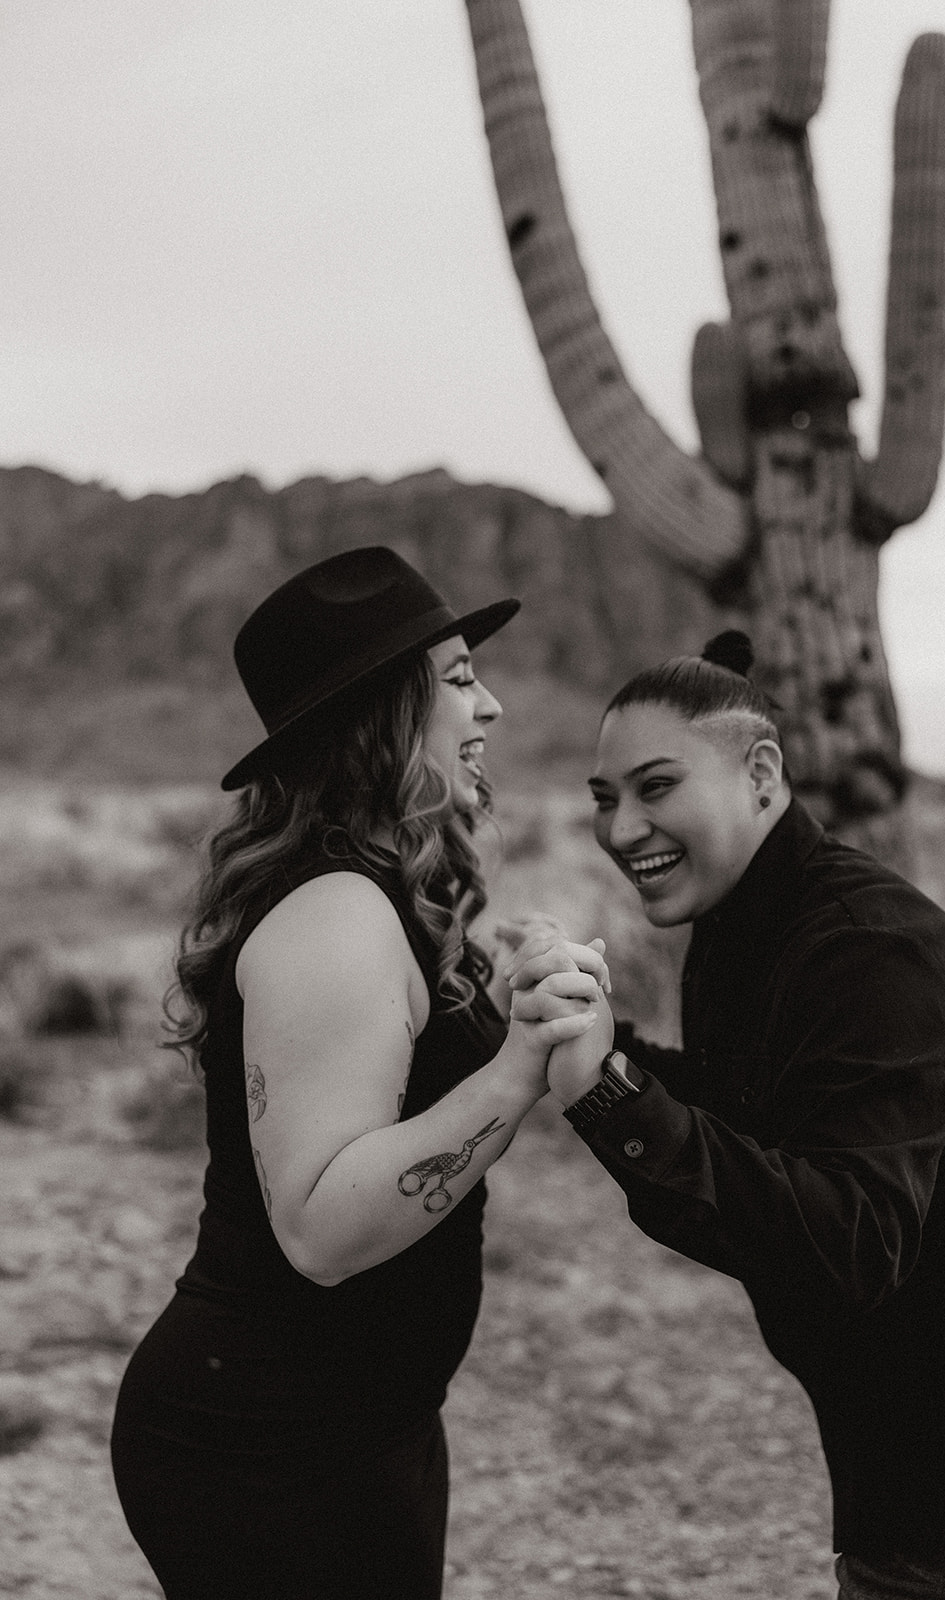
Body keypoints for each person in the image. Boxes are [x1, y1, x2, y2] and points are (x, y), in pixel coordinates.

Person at [507, 630, 945, 1599]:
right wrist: (602, 1045)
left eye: (654, 786)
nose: (620, 827)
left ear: (760, 773)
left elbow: (850, 1238)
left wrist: (612, 1095)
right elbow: (762, 1111)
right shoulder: (747, 922)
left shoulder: (861, 948)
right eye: (604, 798)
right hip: (925, 1445)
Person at [110, 546, 606, 1600]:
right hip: (260, 1445)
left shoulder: (375, 888)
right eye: (462, 678)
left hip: (354, 1425)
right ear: (386, 711)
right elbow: (320, 1230)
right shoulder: (332, 912)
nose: (495, 706)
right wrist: (515, 1071)